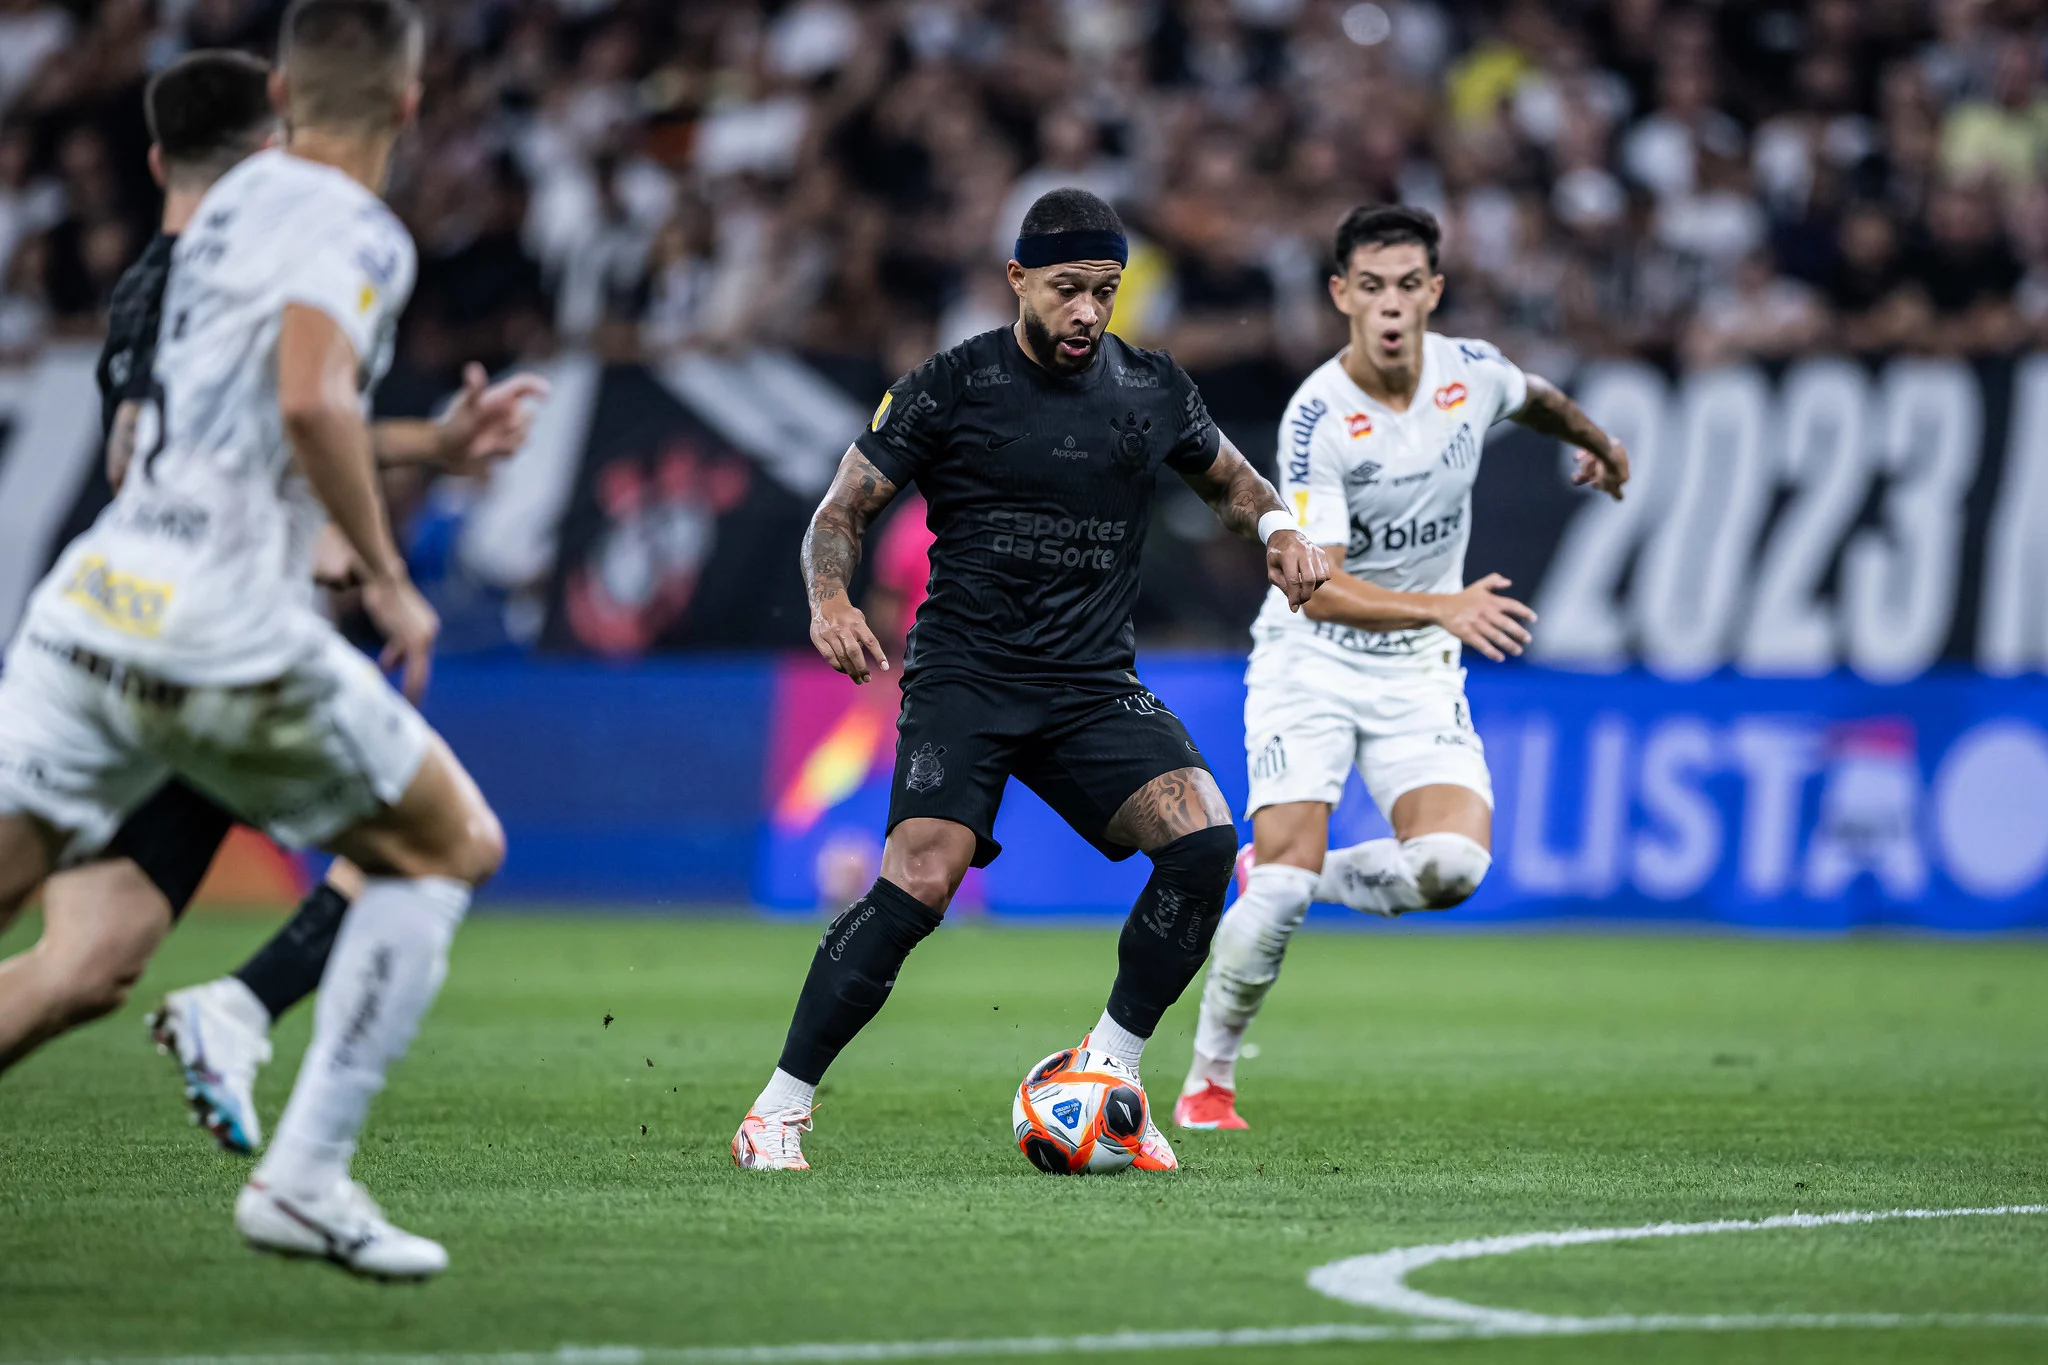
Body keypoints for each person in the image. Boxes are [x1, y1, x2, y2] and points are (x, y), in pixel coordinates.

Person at [0, 0, 501, 1278]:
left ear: (280, 92)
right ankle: (305, 1175)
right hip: (218, 631)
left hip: (92, 605)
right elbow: (307, 395)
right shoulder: (354, 227)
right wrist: (385, 573)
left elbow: (255, 410)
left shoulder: (224, 211)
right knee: (448, 845)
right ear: (406, 102)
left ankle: (253, 1048)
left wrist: (417, 447)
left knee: (66, 949)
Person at [731, 187, 1330, 1172]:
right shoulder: (950, 385)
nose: (1087, 313)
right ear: (1017, 280)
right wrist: (830, 604)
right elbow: (842, 509)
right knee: (920, 880)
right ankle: (777, 1109)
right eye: (1066, 290)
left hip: (1091, 684)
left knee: (1202, 841)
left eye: (1104, 291)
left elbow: (1232, 483)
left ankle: (1107, 1072)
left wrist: (1279, 534)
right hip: (965, 678)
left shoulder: (1149, 387)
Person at [1174, 204, 1630, 1132]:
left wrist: (1594, 440)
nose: (1390, 306)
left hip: (1416, 669)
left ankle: (1284, 870)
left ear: (1435, 292)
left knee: (1454, 866)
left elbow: (1534, 394)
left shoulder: (1469, 374)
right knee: (1283, 900)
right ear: (1342, 295)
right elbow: (1317, 587)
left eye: (1407, 286)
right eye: (1370, 287)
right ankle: (1207, 1081)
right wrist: (1446, 606)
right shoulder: (1317, 419)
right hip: (1313, 658)